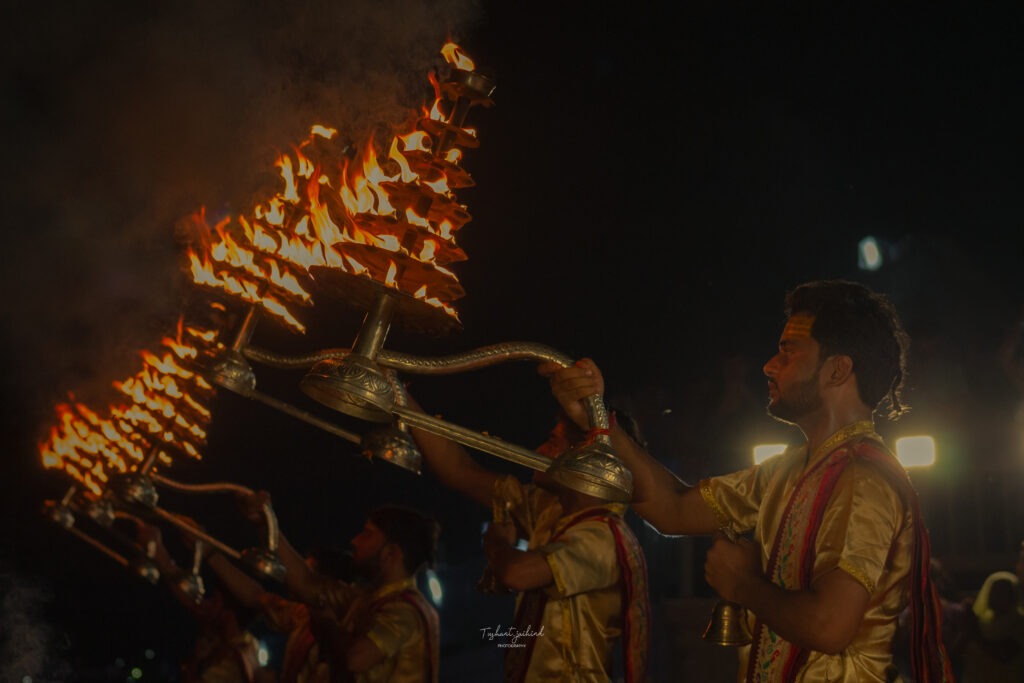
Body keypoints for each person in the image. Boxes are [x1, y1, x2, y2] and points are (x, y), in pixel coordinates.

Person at [543, 279, 953, 682]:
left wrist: (742, 583)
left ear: (837, 370)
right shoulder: (787, 470)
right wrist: (596, 419)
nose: (769, 366)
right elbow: (672, 509)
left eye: (788, 352)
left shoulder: (864, 479)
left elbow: (829, 627)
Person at [406, 398, 650, 683]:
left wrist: (495, 543)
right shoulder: (551, 511)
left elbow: (517, 574)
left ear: (583, 455)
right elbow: (461, 473)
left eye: (552, 441)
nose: (539, 451)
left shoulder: (602, 535)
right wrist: (404, 402)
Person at [237, 493, 441, 683]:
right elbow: (306, 582)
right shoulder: (365, 600)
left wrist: (325, 622)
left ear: (391, 554)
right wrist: (266, 523)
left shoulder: (406, 612)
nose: (355, 541)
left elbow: (356, 659)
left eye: (367, 534)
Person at [137, 523, 267, 683]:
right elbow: (190, 599)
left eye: (216, 600)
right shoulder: (232, 641)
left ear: (229, 610)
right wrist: (159, 553)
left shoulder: (237, 656)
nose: (209, 603)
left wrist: (194, 662)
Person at [961, 570, 1024, 682]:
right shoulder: (983, 622)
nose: (994, 595)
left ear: (1012, 596)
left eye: (1001, 592)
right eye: (992, 590)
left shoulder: (1018, 622)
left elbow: (1005, 654)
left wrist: (975, 631)